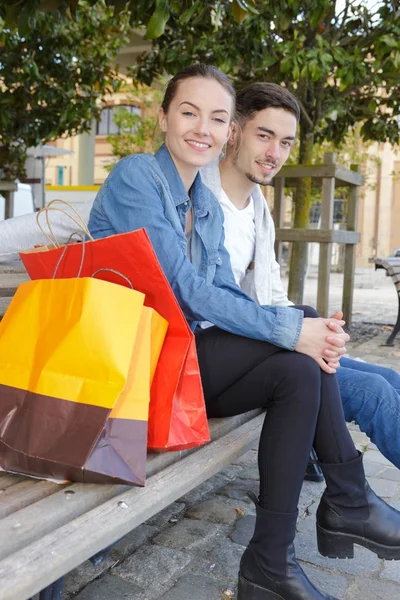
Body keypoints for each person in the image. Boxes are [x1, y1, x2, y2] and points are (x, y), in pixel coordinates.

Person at [87, 64, 400, 600]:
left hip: (181, 363)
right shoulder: (139, 176)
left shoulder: (203, 203)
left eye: (216, 117)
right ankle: (347, 501)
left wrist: (297, 328)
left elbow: (223, 294)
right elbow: (183, 288)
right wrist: (288, 328)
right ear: (163, 117)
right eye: (189, 113)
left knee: (302, 365)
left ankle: (269, 564)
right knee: (302, 347)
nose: (202, 128)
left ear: (226, 127)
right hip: (129, 373)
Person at [201, 81, 400, 472]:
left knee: (388, 375)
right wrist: (296, 332)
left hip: (263, 344)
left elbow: (273, 295)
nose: (275, 153)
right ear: (234, 131)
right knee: (374, 392)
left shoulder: (257, 208)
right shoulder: (201, 200)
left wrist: (322, 334)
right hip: (226, 364)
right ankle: (349, 495)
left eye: (286, 142)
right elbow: (206, 300)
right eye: (265, 136)